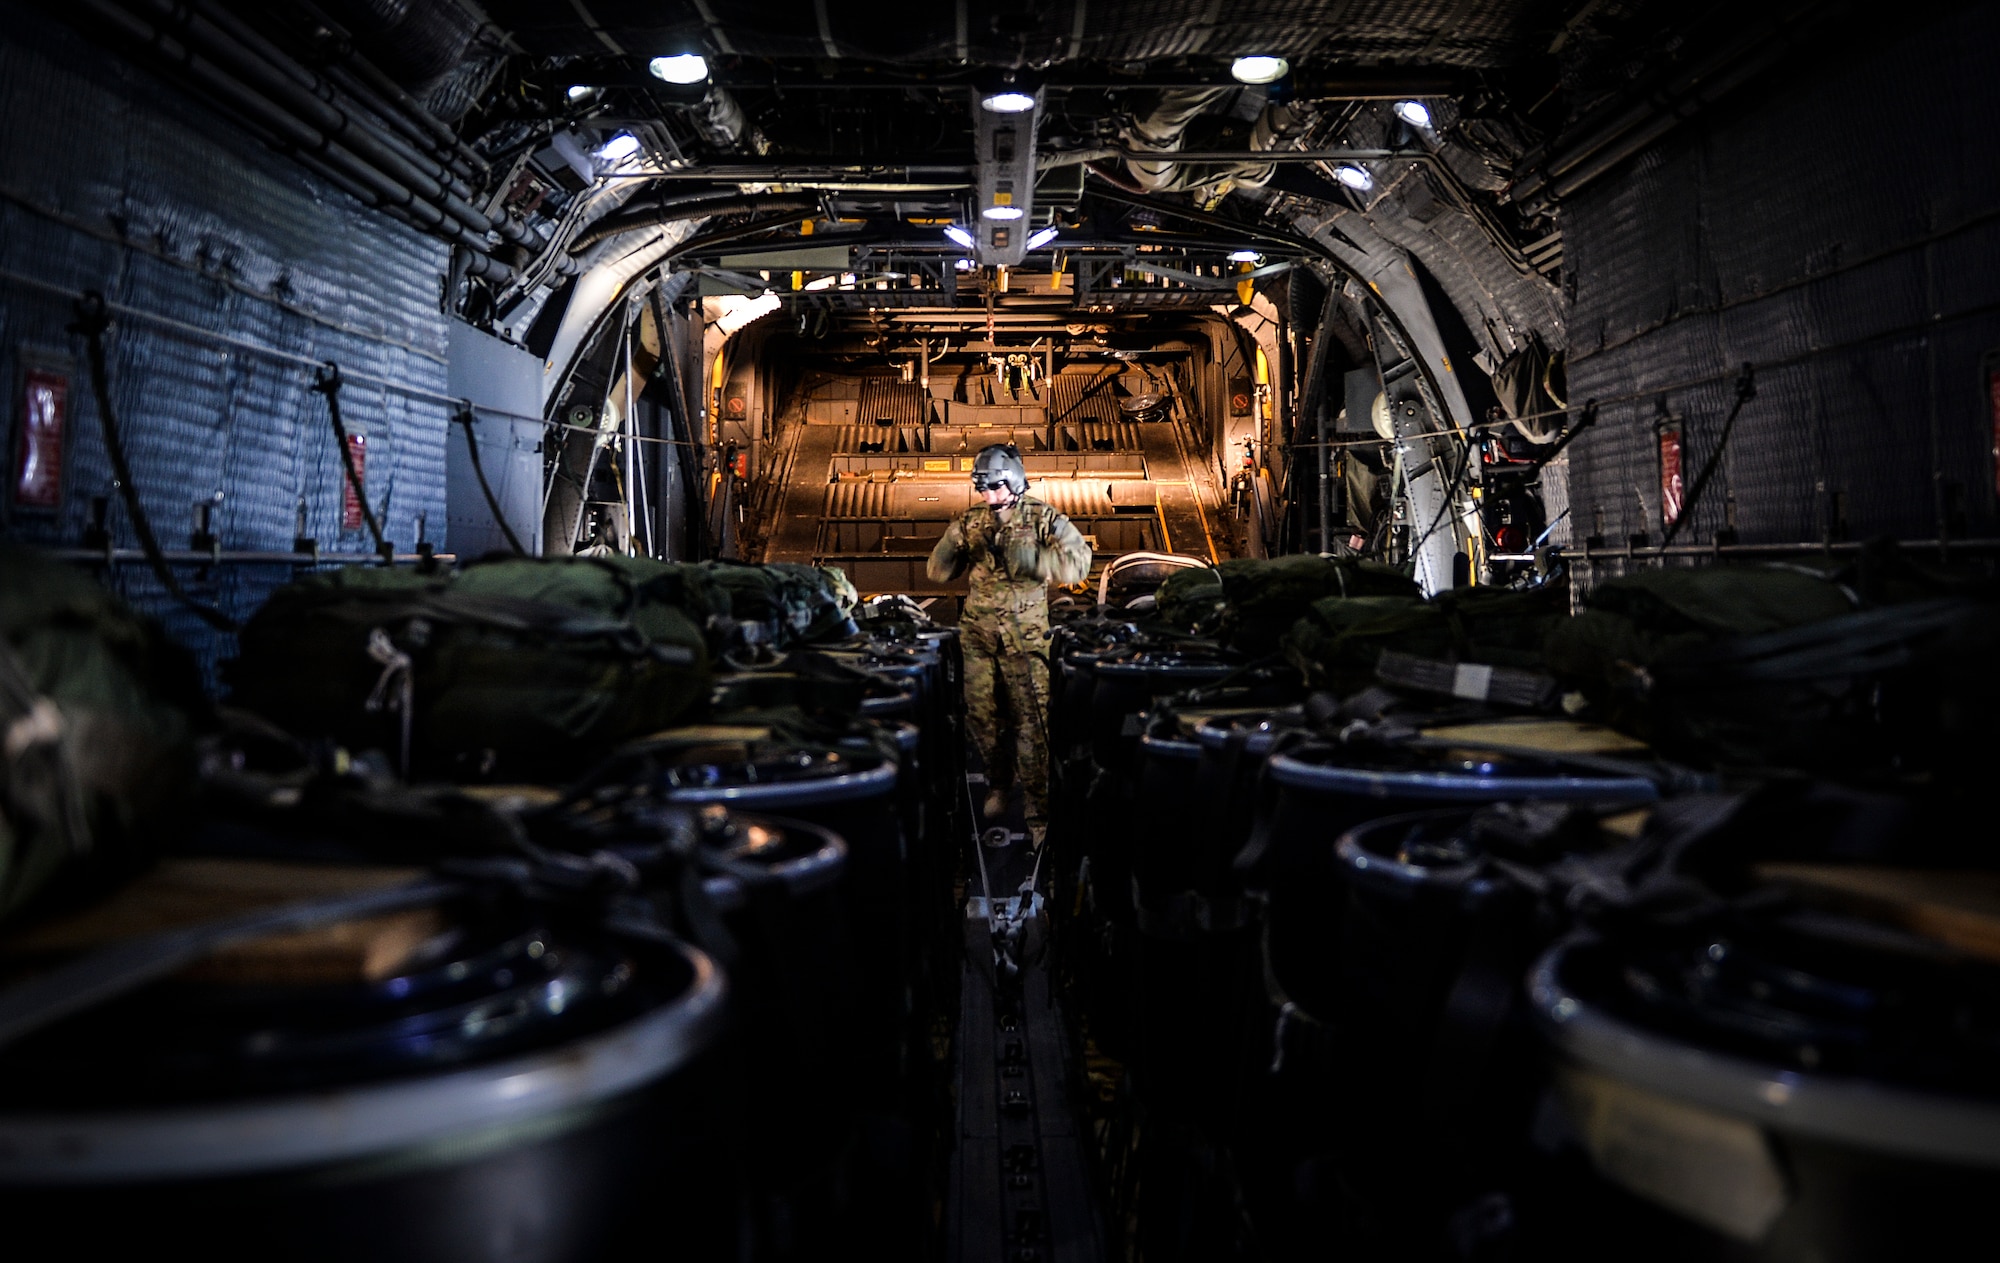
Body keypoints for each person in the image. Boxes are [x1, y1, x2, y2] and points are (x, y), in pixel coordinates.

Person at [926, 444, 1091, 847]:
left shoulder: (1043, 518)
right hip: (979, 639)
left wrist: (1035, 559)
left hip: (1025, 640)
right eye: (982, 488)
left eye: (995, 487)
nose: (989, 497)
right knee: (982, 720)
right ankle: (999, 784)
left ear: (1014, 482)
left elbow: (1079, 563)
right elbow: (937, 572)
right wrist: (954, 542)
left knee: (1032, 726)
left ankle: (1039, 815)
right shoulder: (972, 521)